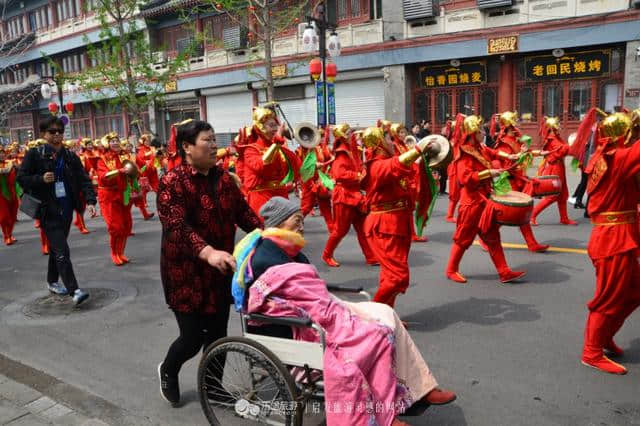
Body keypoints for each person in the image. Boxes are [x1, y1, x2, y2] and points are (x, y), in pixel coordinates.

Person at [232, 196, 456, 426]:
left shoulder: (286, 247)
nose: (302, 225)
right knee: (377, 333)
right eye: (296, 219)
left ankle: (420, 389)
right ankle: (385, 413)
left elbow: (311, 291)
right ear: (279, 222)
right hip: (299, 319)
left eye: (301, 219)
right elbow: (302, 298)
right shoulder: (267, 256)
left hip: (319, 305)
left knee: (386, 312)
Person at [156, 120, 261, 407]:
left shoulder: (224, 179)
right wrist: (207, 251)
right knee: (191, 338)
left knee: (217, 335)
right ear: (187, 148)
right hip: (185, 271)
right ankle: (169, 369)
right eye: (207, 140)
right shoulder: (171, 182)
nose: (214, 145)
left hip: (220, 269)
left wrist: (271, 235)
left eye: (214, 139)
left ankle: (213, 388)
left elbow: (244, 214)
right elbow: (176, 226)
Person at [569, 110, 640, 375]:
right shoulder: (619, 158)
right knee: (608, 300)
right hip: (613, 240)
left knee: (634, 293)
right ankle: (591, 351)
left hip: (619, 235)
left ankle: (605, 335)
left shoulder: (605, 155)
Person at [17, 116, 95, 305]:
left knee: (57, 249)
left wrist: (91, 201)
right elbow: (21, 178)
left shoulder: (69, 155)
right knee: (62, 249)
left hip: (67, 208)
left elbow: (83, 178)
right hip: (47, 210)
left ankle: (52, 281)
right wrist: (41, 179)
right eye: (52, 132)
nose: (57, 134)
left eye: (60, 131)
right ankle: (74, 290)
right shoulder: (34, 154)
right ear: (43, 134)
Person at [445, 114, 526, 284]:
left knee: (493, 237)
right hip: (472, 202)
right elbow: (464, 178)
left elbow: (494, 152)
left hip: (484, 200)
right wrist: (489, 173)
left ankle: (504, 272)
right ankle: (451, 269)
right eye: (481, 130)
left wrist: (510, 157)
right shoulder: (463, 152)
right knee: (463, 238)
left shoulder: (479, 148)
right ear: (473, 133)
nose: (484, 132)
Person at [361, 126, 436, 307]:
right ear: (379, 142)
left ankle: (388, 315)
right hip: (384, 224)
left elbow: (406, 179)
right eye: (388, 138)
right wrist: (417, 150)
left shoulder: (388, 162)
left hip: (399, 222)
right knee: (397, 276)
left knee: (389, 276)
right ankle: (372, 317)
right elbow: (395, 165)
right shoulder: (376, 166)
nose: (392, 142)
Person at [490, 111, 550, 252]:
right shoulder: (503, 143)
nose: (517, 123)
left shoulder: (516, 139)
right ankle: (487, 237)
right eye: (514, 121)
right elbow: (503, 163)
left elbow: (526, 153)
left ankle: (532, 244)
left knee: (521, 213)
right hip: (510, 182)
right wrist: (517, 157)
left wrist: (540, 153)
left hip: (519, 180)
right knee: (507, 214)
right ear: (509, 124)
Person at [322, 124, 377, 267]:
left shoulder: (352, 151)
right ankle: (326, 255)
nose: (352, 134)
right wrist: (358, 175)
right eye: (348, 132)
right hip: (344, 196)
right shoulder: (341, 153)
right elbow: (340, 174)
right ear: (342, 136)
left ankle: (371, 256)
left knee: (363, 228)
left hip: (355, 195)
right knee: (340, 230)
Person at [240, 107, 300, 217]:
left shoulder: (280, 148)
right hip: (262, 197)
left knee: (284, 231)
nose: (275, 129)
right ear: (260, 127)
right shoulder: (251, 150)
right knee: (266, 232)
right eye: (271, 126)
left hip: (281, 196)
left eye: (276, 126)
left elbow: (296, 167)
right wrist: (276, 143)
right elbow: (262, 167)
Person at [530, 117, 577, 226]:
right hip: (554, 168)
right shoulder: (552, 138)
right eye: (558, 124)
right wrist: (571, 144)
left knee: (562, 194)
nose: (560, 126)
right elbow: (561, 151)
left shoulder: (556, 137)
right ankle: (532, 214)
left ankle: (564, 218)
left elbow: (564, 150)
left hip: (559, 166)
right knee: (552, 196)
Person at [96, 133, 134, 266]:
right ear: (107, 144)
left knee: (125, 226)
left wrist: (133, 176)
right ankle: (114, 253)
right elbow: (103, 177)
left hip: (123, 194)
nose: (115, 143)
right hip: (108, 196)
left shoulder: (125, 156)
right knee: (115, 227)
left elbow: (134, 172)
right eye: (112, 141)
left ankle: (121, 253)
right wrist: (119, 171)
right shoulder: (102, 159)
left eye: (117, 140)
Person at [0, 145, 19, 245]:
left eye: (3, 153)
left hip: (12, 193)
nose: (1, 155)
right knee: (3, 217)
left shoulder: (11, 162)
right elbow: (4, 171)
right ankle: (6, 236)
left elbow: (20, 171)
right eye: (0, 153)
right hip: (1, 195)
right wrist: (11, 165)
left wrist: (16, 166)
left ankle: (10, 234)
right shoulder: (10, 164)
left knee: (12, 217)